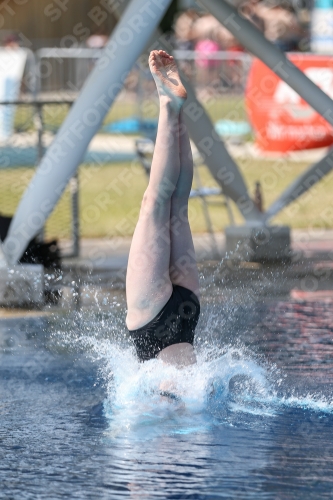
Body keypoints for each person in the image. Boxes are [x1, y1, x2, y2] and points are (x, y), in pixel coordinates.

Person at [126, 50, 200, 368]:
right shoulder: (166, 401)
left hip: (187, 315)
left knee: (178, 202)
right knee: (155, 203)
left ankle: (178, 109)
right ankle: (170, 106)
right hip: (151, 321)